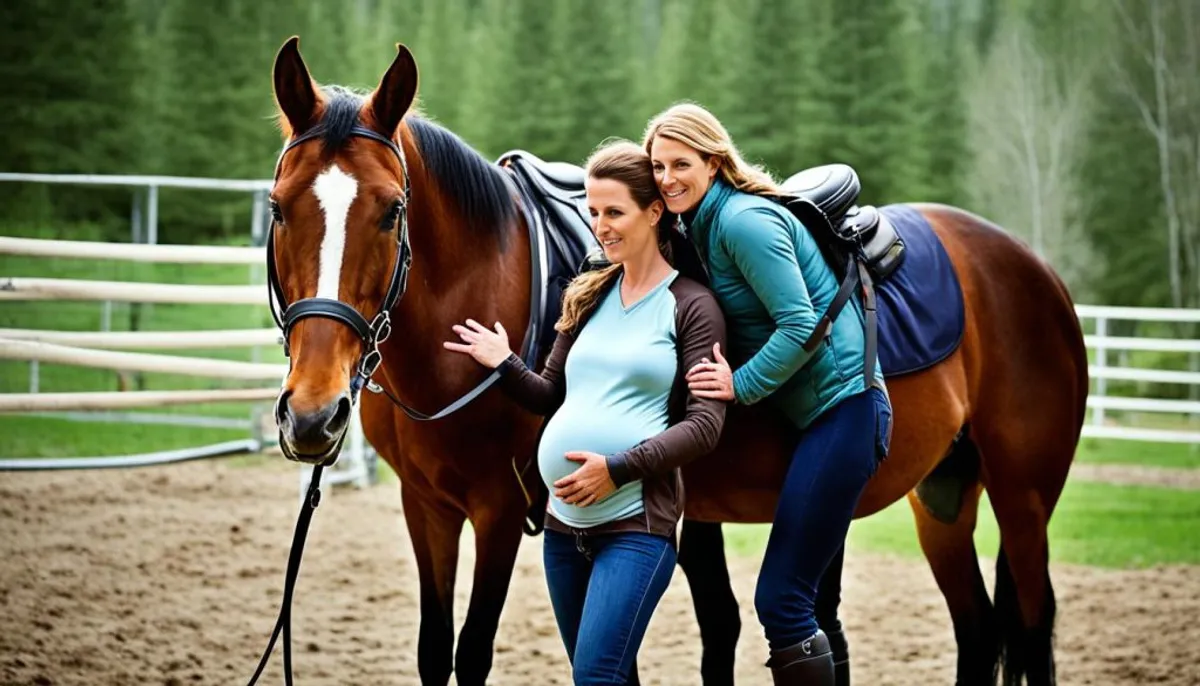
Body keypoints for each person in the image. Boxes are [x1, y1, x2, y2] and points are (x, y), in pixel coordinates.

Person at [444, 139, 727, 685]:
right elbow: (550, 394)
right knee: (608, 676)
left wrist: (614, 469)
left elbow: (704, 426)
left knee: (595, 677)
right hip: (562, 527)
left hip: (636, 526)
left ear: (653, 211)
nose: (602, 226)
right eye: (593, 212)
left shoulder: (691, 305)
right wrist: (503, 362)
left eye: (615, 212)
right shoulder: (588, 294)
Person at [642, 103, 892, 685]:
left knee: (781, 599)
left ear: (712, 160)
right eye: (657, 166)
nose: (667, 178)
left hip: (846, 410)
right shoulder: (698, 224)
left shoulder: (741, 222)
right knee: (803, 602)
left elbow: (802, 324)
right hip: (816, 417)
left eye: (681, 163)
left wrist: (739, 385)